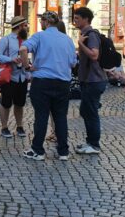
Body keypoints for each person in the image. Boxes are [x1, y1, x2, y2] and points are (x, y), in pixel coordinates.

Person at [20, 11, 77, 161]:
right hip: (63, 82)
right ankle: (63, 151)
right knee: (60, 117)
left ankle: (38, 150)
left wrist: (27, 67)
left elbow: (23, 49)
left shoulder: (39, 36)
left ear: (45, 22)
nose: (40, 23)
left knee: (41, 116)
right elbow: (73, 62)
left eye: (41, 21)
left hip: (42, 81)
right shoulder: (67, 39)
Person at [73, 7, 107, 155]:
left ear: (86, 19)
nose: (75, 21)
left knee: (90, 112)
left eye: (77, 18)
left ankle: (94, 144)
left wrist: (80, 44)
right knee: (86, 111)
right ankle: (90, 141)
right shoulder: (85, 34)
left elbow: (94, 55)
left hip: (94, 80)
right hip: (89, 80)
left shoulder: (90, 35)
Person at [0, 16, 29, 139]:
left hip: (22, 76)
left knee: (20, 103)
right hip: (9, 76)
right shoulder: (6, 40)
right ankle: (4, 127)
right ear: (19, 26)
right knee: (6, 103)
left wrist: (29, 73)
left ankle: (19, 126)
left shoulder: (25, 40)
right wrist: (10, 59)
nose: (27, 27)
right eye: (25, 25)